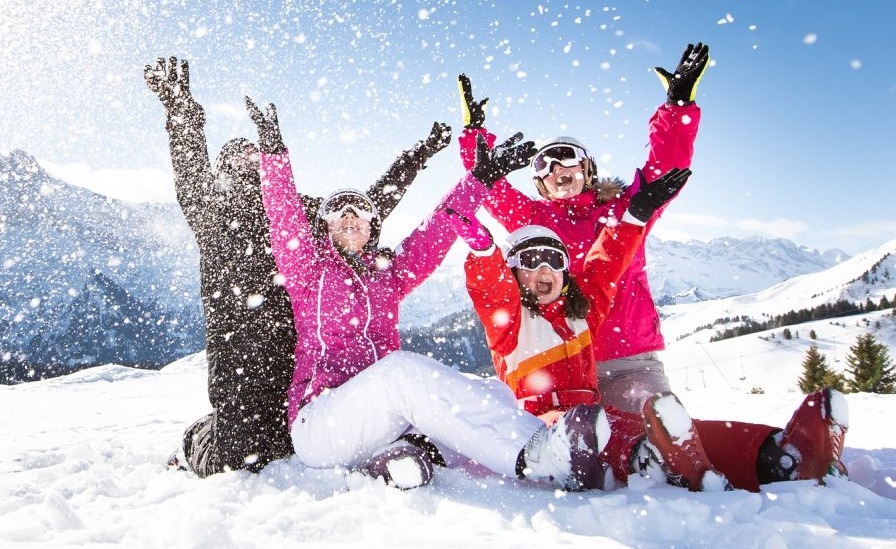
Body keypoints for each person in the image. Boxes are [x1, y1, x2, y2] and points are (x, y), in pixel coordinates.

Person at [244, 95, 697, 493]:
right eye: (337, 210)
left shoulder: (389, 276)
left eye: (359, 209)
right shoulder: (307, 271)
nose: (349, 214)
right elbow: (283, 216)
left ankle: (405, 461)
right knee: (402, 371)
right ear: (323, 226)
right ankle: (535, 455)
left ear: (371, 226)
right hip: (319, 422)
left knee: (496, 399)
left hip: (376, 424)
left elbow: (441, 225)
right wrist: (273, 152)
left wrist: (481, 177)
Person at [455, 45, 849, 491]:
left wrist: (677, 107)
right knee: (629, 439)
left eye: (571, 161)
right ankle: (716, 469)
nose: (559, 169)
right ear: (539, 181)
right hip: (562, 371)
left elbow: (666, 170)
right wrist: (475, 135)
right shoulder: (532, 222)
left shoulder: (625, 210)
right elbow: (486, 185)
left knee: (667, 426)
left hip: (627, 360)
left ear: (589, 170)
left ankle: (782, 456)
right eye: (547, 164)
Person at [145, 56, 452, 477]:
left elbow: (362, 212)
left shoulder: (302, 211)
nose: (244, 161)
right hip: (240, 352)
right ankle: (195, 437)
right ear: (220, 171)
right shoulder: (211, 214)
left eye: (251, 154)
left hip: (297, 354)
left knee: (299, 442)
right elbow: (188, 167)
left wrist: (416, 158)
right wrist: (181, 109)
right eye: (233, 158)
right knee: (235, 459)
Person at [449, 169, 731, 492]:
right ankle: (587, 469)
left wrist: (635, 216)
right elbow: (492, 292)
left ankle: (656, 457)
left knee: (617, 426)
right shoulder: (512, 325)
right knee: (579, 426)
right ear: (512, 272)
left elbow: (606, 262)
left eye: (555, 260)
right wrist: (485, 253)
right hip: (537, 424)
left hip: (594, 418)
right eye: (532, 260)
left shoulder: (580, 313)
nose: (545, 269)